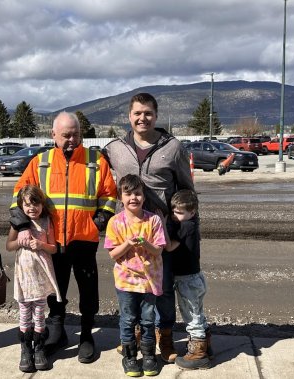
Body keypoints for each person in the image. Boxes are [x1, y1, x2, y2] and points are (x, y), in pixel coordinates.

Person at [11, 111, 117, 363]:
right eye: (66, 135)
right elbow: (18, 196)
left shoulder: (96, 161)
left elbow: (110, 195)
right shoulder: (40, 162)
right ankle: (57, 332)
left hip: (84, 240)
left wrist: (99, 221)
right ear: (54, 135)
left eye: (76, 135)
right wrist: (24, 226)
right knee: (54, 290)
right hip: (51, 242)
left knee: (88, 291)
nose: (72, 140)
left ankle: (87, 336)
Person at [103, 92, 195, 363]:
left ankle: (164, 338)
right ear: (129, 116)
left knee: (162, 289)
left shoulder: (173, 147)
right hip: (126, 231)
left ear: (156, 115)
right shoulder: (114, 148)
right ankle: (130, 339)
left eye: (148, 113)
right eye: (137, 113)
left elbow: (187, 191)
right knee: (130, 290)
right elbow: (105, 185)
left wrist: (184, 229)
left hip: (158, 231)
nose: (142, 118)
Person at [105, 174, 167, 377]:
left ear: (144, 196)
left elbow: (158, 250)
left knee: (148, 319)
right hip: (125, 281)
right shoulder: (115, 222)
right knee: (128, 319)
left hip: (149, 281)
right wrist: (128, 244)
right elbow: (113, 254)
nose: (133, 198)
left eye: (138, 193)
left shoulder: (154, 220)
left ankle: (149, 355)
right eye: (128, 193)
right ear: (120, 197)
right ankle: (130, 356)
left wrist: (144, 244)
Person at [5, 185, 61, 372]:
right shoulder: (17, 224)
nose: (31, 208)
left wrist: (41, 244)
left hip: (40, 279)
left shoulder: (46, 222)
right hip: (24, 278)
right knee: (24, 315)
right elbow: (9, 246)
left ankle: (39, 348)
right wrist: (19, 241)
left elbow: (53, 247)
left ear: (41, 205)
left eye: (35, 204)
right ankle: (25, 349)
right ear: (21, 206)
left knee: (39, 315)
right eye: (27, 204)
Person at [166, 189, 212, 370]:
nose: (174, 216)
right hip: (195, 277)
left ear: (192, 212)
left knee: (191, 315)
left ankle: (198, 354)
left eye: (179, 212)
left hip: (187, 280)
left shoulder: (185, 227)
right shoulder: (192, 224)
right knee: (198, 312)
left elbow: (169, 247)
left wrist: (163, 223)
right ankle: (206, 345)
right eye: (173, 212)